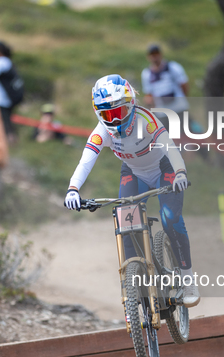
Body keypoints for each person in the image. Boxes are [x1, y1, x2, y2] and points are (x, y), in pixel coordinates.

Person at [64, 74, 200, 307]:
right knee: (125, 222)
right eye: (107, 115)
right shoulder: (101, 132)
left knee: (170, 218)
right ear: (98, 113)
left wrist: (180, 173)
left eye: (118, 112)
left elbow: (169, 147)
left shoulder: (146, 120)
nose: (114, 120)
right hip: (133, 172)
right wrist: (73, 189)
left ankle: (187, 279)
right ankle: (133, 281)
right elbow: (85, 162)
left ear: (131, 105)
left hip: (163, 169)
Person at [141, 44, 189, 129]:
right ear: (149, 57)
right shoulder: (146, 74)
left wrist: (182, 99)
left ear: (161, 54)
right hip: (162, 111)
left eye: (156, 54)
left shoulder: (173, 67)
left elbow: (184, 85)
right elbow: (149, 94)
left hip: (178, 107)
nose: (155, 57)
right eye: (152, 55)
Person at [0, 41, 22, 144]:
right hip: (9, 97)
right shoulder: (8, 61)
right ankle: (10, 141)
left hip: (1, 98)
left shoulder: (0, 62)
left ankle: (8, 142)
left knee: (2, 121)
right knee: (6, 120)